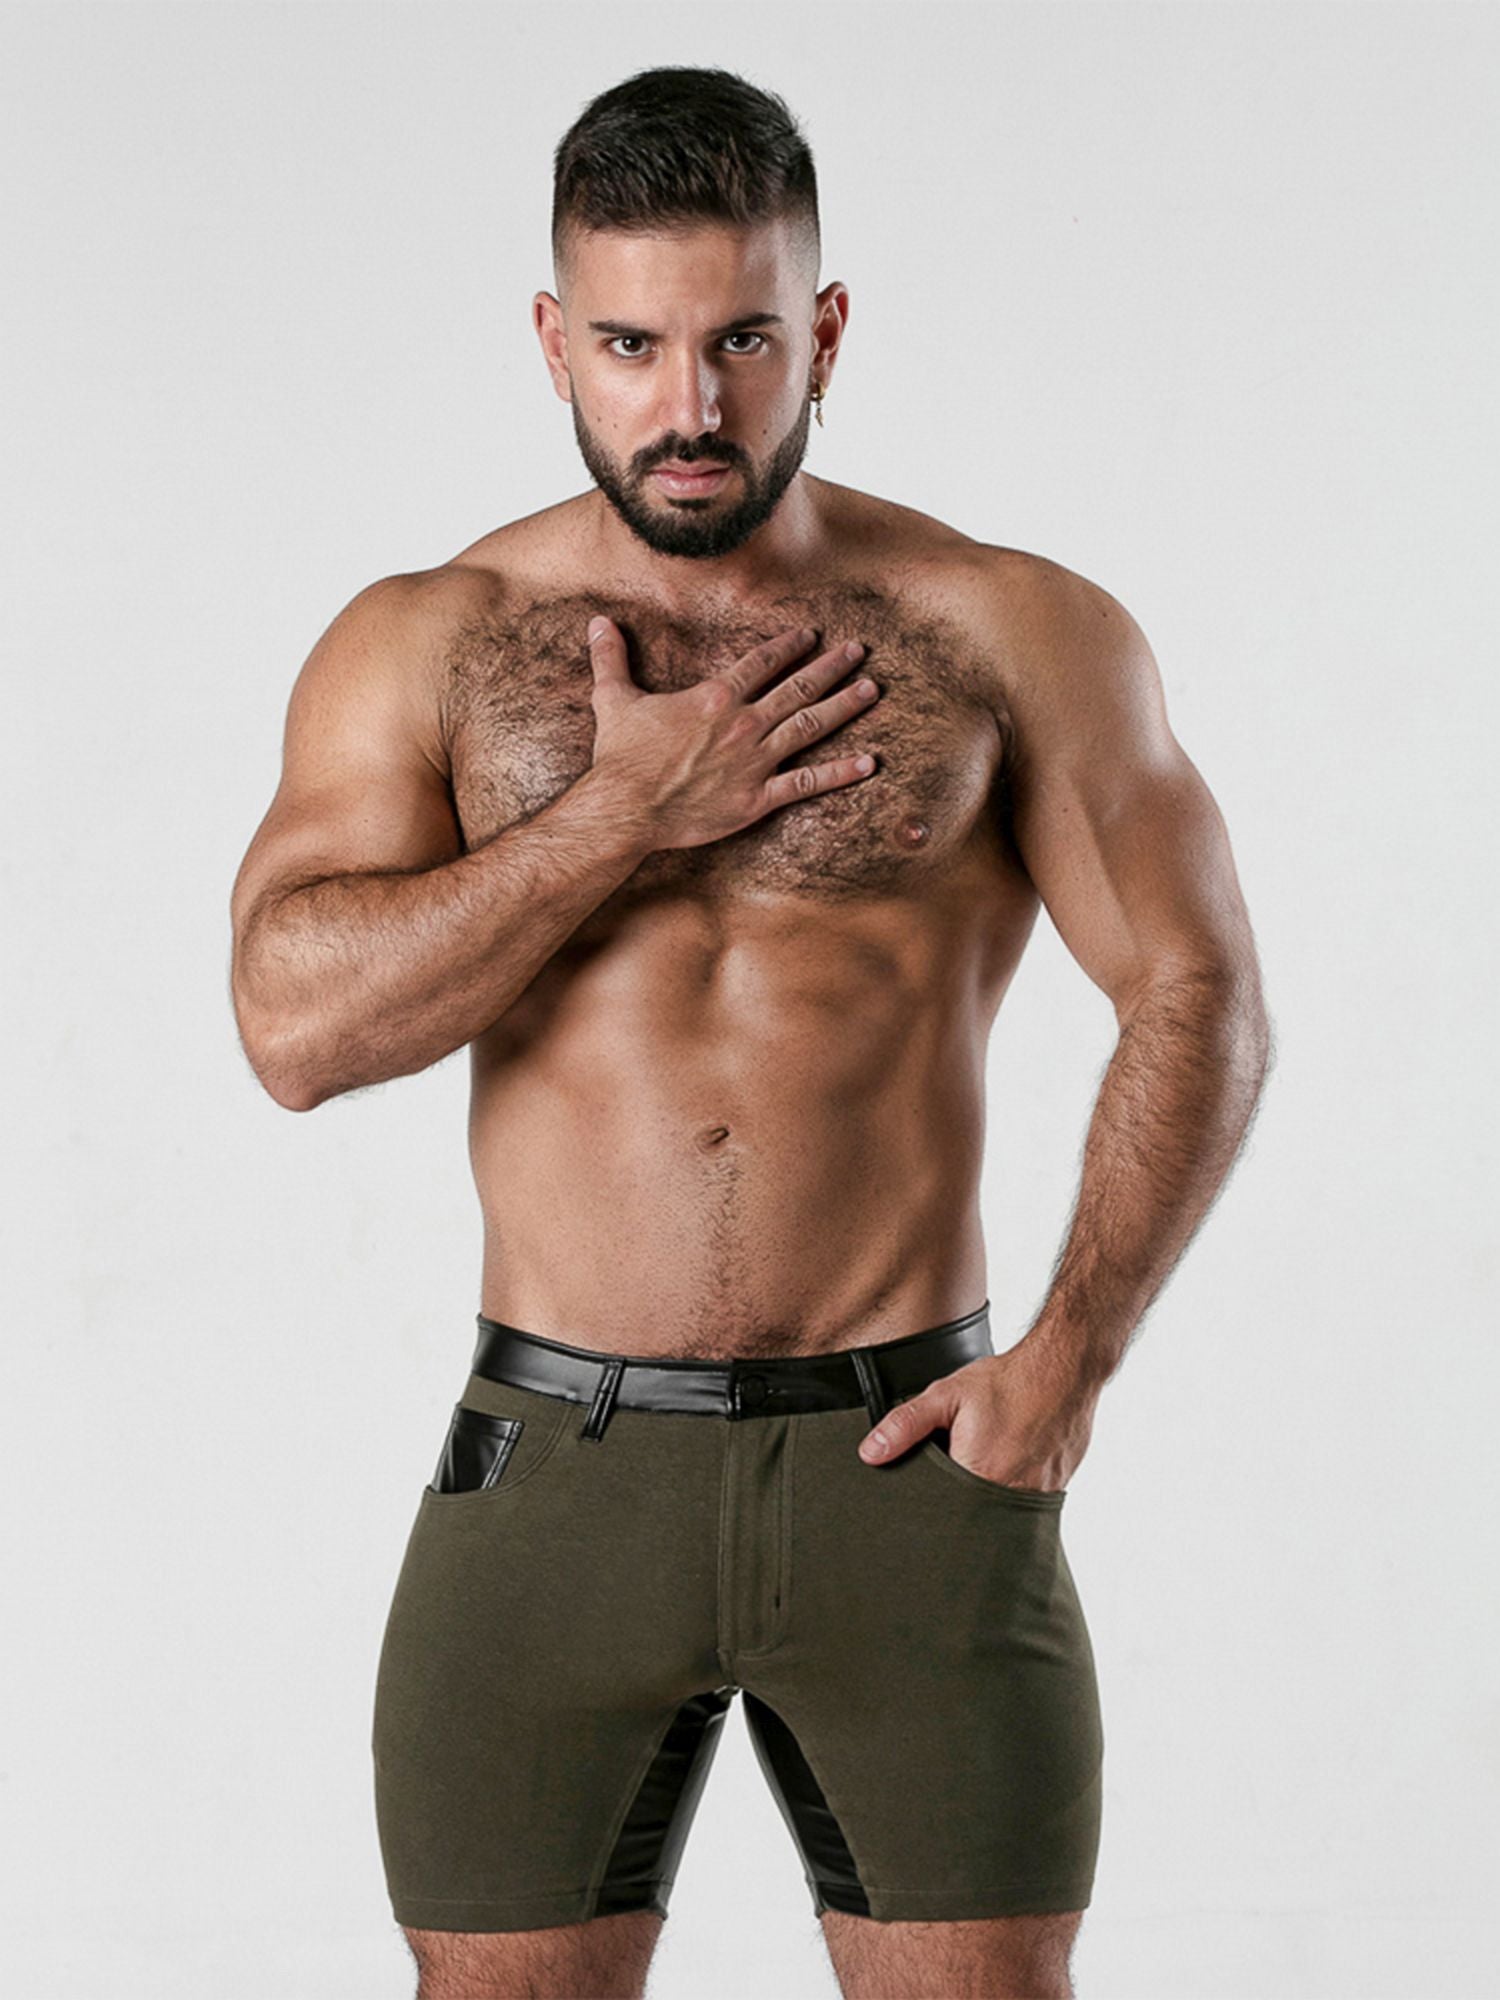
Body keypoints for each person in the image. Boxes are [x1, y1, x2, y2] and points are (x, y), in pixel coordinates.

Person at [229, 62, 1271, 2000]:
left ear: (828, 331)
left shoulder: (1009, 630)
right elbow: (290, 1027)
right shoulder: (428, 637)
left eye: (743, 341)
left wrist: (1068, 1365)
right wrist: (616, 816)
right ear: (555, 337)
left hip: (911, 1463)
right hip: (557, 1467)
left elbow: (1199, 990)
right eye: (631, 345)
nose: (689, 407)